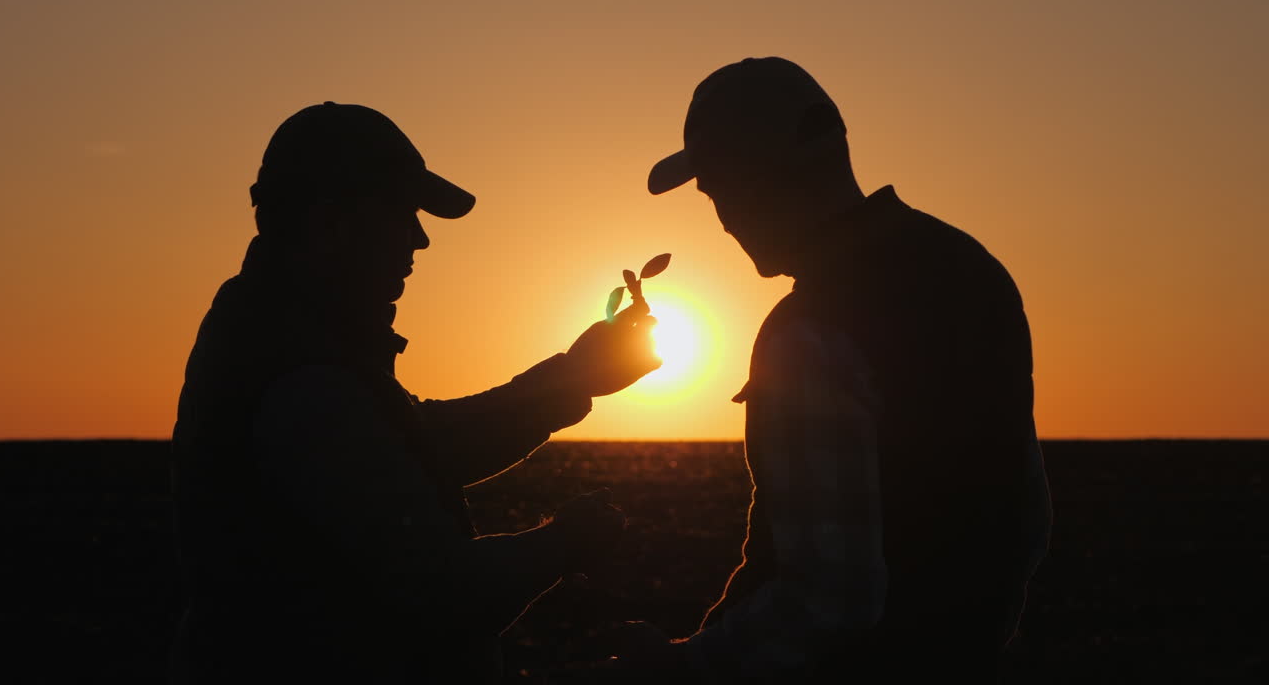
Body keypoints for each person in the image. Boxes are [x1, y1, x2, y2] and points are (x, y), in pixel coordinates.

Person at [169, 102, 661, 684]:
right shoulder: (306, 383)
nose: (421, 240)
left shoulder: (282, 337)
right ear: (331, 222)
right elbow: (445, 591)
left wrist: (573, 379)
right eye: (403, 215)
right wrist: (566, 542)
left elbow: (408, 448)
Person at [610, 57, 1053, 682]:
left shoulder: (808, 333)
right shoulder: (971, 268)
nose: (725, 217)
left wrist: (681, 669)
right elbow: (1024, 522)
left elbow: (827, 602)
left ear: (756, 174)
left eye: (718, 189)